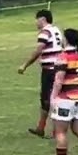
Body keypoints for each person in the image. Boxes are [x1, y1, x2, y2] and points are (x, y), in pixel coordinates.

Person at [18, 9, 64, 138]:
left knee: (47, 99)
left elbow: (38, 50)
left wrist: (25, 65)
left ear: (42, 19)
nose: (36, 22)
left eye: (37, 19)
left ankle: (53, 130)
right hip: (59, 68)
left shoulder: (45, 32)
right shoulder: (56, 30)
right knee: (55, 98)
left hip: (50, 70)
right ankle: (42, 127)